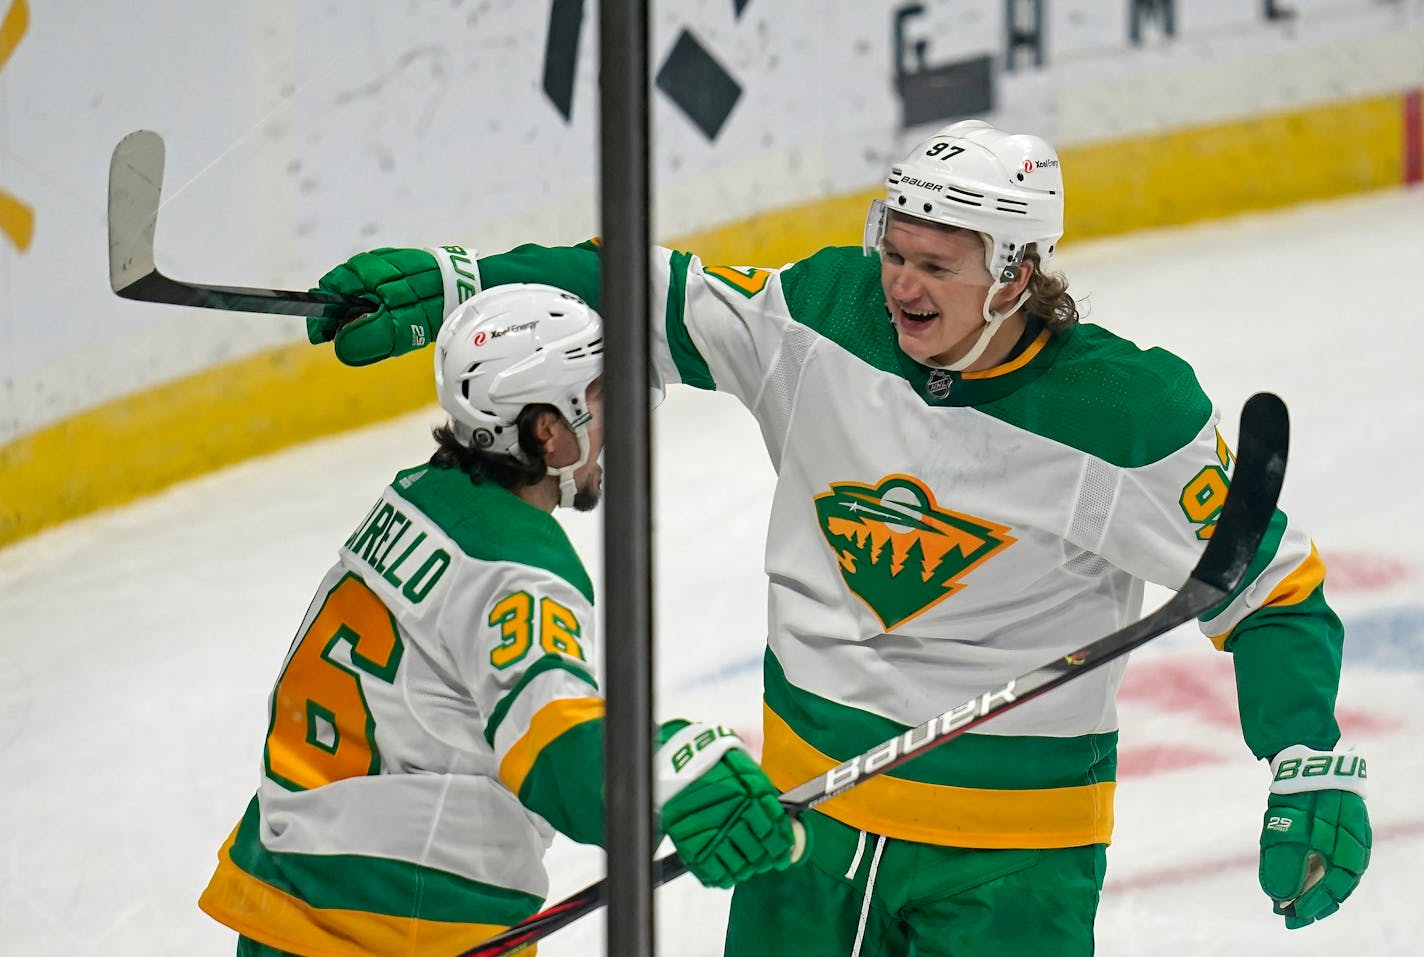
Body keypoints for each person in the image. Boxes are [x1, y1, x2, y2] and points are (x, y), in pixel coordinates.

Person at [304, 121, 1371, 955]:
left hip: (1008, 870)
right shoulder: (825, 319)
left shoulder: (1125, 415)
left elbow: (1267, 586)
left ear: (1013, 272)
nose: (900, 285)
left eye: (936, 266)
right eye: (893, 252)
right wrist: (467, 281)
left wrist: (1304, 756)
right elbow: (653, 291)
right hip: (799, 830)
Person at [199, 283, 802, 957]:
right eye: (601, 401)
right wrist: (677, 769)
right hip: (394, 922)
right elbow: (557, 751)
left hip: (290, 894)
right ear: (547, 430)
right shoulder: (516, 567)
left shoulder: (418, 495)